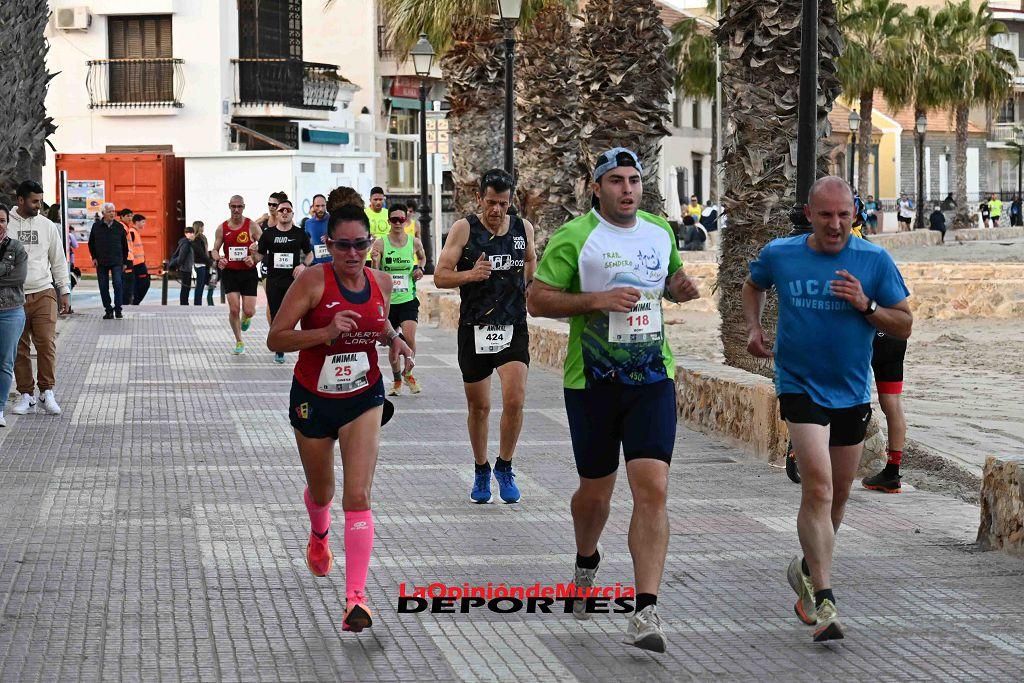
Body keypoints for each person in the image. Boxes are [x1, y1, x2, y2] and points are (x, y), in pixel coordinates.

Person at [528, 147, 700, 653]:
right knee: (595, 495)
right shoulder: (575, 237)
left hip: (651, 378)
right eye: (617, 181)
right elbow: (538, 299)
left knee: (653, 487)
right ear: (597, 187)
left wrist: (679, 288)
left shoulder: (659, 231)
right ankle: (586, 558)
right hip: (593, 382)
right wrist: (596, 300)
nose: (628, 189)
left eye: (634, 180)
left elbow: (666, 282)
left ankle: (644, 608)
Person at [742, 175, 912, 642]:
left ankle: (805, 572)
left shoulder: (873, 260)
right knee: (817, 487)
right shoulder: (782, 253)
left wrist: (866, 304)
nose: (835, 225)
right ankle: (825, 598)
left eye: (843, 215)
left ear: (855, 213)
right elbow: (751, 285)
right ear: (810, 215)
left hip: (852, 392)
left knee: (837, 496)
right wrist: (755, 329)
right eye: (825, 215)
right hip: (799, 384)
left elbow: (904, 324)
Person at [266, 204, 414, 634]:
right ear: (328, 245)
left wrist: (395, 340)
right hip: (313, 397)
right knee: (322, 489)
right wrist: (326, 332)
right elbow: (276, 336)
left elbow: (379, 322)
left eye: (361, 244)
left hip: (363, 396)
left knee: (359, 495)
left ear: (371, 244)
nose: (353, 253)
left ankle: (356, 600)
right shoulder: (314, 281)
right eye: (343, 245)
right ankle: (318, 534)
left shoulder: (381, 281)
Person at [434, 169, 537, 505]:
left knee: (515, 398)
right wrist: (471, 274)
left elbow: (531, 260)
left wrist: (531, 288)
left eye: (503, 203)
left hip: (512, 326)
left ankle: (504, 465)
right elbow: (440, 276)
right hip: (474, 327)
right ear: (479, 198)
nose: (496, 210)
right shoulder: (465, 228)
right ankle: (481, 468)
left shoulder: (523, 229)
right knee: (479, 407)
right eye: (491, 202)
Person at [8, 181, 71, 417]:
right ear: (20, 200)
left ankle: (47, 391)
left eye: (40, 201)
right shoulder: (7, 225)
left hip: (44, 291)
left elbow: (58, 259)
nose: (39, 206)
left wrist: (63, 290)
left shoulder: (46, 226)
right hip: (13, 296)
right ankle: (26, 394)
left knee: (46, 342)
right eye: (34, 201)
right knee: (19, 347)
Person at [370, 202, 426, 395]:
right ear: (389, 221)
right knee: (393, 342)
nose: (397, 223)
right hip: (388, 302)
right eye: (394, 219)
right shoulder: (380, 243)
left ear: (406, 220)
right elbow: (375, 273)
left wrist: (420, 268)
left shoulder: (414, 242)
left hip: (408, 299)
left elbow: (422, 258)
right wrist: (376, 261)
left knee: (410, 338)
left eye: (401, 219)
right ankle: (396, 380)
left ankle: (408, 373)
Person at [256, 199, 313, 363]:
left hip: (293, 281)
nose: (285, 212)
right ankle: (279, 348)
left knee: (293, 312)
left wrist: (304, 265)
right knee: (275, 313)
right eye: (282, 210)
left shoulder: (299, 233)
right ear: (277, 213)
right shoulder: (268, 234)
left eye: (288, 210)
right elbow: (259, 255)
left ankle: (289, 338)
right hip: (273, 280)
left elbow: (310, 254)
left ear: (292, 213)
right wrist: (250, 258)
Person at [212, 196, 262, 354]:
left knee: (249, 311)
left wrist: (254, 256)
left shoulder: (251, 225)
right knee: (234, 309)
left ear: (244, 207)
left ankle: (246, 317)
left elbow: (264, 246)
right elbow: (214, 250)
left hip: (248, 273)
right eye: (233, 206)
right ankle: (239, 341)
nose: (236, 210)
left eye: (239, 206)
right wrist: (219, 259)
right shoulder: (222, 228)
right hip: (230, 273)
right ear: (229, 206)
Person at [861, 331, 910, 493]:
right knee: (893, 403)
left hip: (866, 336)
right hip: (895, 337)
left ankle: (821, 453)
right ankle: (892, 472)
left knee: (848, 395)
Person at [0, 204, 28, 428]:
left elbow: (18, 278)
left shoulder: (17, 248)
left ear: (7, 223)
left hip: (10, 312)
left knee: (5, 363)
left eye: (1, 220)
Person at [88, 202, 129, 320]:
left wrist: (125, 262)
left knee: (118, 283)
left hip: (117, 260)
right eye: (110, 211)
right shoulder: (96, 226)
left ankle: (118, 309)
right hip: (101, 261)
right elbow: (91, 243)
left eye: (113, 211)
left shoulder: (119, 227)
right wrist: (94, 257)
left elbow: (125, 246)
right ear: (103, 213)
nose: (112, 214)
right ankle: (108, 310)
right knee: (103, 286)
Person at [167, 226, 197, 306]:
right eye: (189, 233)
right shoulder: (186, 243)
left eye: (192, 233)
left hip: (186, 267)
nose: (191, 234)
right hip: (185, 268)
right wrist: (179, 266)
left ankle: (184, 302)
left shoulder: (188, 242)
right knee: (185, 287)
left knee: (186, 287)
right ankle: (184, 303)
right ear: (185, 234)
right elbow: (181, 257)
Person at [125, 213, 150, 305]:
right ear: (136, 222)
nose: (144, 224)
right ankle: (134, 302)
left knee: (139, 284)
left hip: (139, 264)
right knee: (143, 284)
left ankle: (134, 301)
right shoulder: (132, 232)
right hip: (136, 265)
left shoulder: (135, 232)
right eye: (143, 222)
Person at [304, 194, 332, 265]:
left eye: (323, 206)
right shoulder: (308, 223)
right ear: (313, 206)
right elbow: (305, 244)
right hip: (315, 265)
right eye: (317, 206)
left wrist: (331, 237)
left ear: (326, 206)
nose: (320, 209)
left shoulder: (333, 220)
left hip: (332, 265)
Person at [364, 187, 390, 263]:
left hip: (386, 256)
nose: (378, 202)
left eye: (380, 199)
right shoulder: (363, 214)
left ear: (384, 199)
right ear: (370, 200)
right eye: (375, 200)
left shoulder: (388, 213)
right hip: (368, 257)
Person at [190, 222, 212, 306]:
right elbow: (200, 253)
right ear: (199, 227)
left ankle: (198, 302)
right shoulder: (197, 239)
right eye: (202, 226)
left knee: (202, 284)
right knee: (200, 285)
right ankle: (197, 303)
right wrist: (209, 261)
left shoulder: (202, 237)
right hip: (200, 264)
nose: (203, 228)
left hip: (203, 263)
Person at [118, 208, 136, 305]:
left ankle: (125, 302)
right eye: (128, 216)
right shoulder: (122, 228)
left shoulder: (126, 227)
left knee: (127, 283)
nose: (130, 218)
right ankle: (125, 303)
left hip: (128, 258)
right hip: (126, 259)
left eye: (131, 216)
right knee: (127, 283)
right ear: (122, 217)